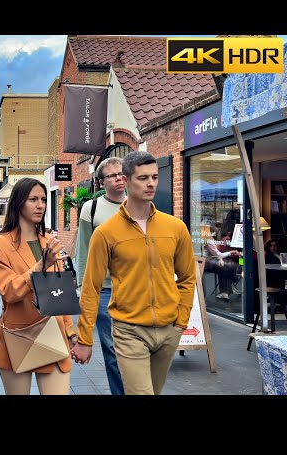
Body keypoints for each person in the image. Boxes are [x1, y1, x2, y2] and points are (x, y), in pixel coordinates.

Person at [71, 151, 196, 395]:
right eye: (142, 178)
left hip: (168, 329)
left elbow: (188, 277)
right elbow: (90, 286)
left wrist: (181, 321)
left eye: (154, 177)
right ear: (127, 181)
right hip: (128, 329)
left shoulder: (175, 227)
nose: (150, 183)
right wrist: (85, 338)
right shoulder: (106, 232)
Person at [0, 178, 76, 395]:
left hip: (54, 333)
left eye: (43, 200)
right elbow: (9, 291)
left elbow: (59, 292)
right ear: (18, 203)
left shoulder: (48, 242)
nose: (40, 205)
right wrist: (40, 266)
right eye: (33, 199)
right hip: (19, 334)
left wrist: (71, 331)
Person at [73, 156, 126, 395]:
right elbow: (83, 252)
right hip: (105, 290)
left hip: (137, 290)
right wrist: (84, 293)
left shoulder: (139, 205)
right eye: (112, 175)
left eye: (121, 173)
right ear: (101, 181)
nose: (118, 178)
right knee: (113, 351)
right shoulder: (91, 208)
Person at [204, 229, 241, 300]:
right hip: (208, 261)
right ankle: (227, 289)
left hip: (213, 259)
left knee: (228, 265)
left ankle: (227, 289)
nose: (219, 234)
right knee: (228, 266)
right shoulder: (223, 240)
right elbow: (218, 254)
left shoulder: (214, 240)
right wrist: (232, 252)